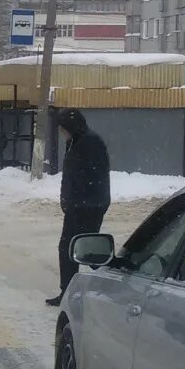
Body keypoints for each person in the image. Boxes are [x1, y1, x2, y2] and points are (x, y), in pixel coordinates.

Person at [48, 108, 110, 308]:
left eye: (63, 128)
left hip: (87, 207)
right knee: (79, 250)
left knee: (82, 250)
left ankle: (110, 283)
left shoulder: (90, 143)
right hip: (79, 206)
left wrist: (77, 201)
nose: (61, 132)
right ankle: (69, 292)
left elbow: (92, 177)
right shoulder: (75, 141)